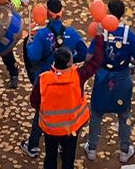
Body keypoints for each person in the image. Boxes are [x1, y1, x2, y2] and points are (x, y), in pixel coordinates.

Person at [32, 36, 106, 169]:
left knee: (50, 156)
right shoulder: (77, 76)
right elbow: (96, 62)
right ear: (68, 64)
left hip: (50, 129)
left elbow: (34, 102)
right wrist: (100, 38)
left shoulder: (44, 79)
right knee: (68, 159)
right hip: (71, 128)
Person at [85, 0, 135, 164]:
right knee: (123, 115)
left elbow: (89, 56)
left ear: (108, 12)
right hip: (122, 79)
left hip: (103, 77)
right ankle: (124, 151)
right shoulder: (128, 34)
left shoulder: (102, 32)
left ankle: (92, 148)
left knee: (96, 113)